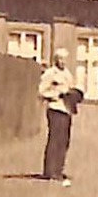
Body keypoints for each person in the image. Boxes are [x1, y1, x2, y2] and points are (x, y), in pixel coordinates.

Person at [37, 49, 80, 185]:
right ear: (56, 59)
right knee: (54, 139)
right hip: (55, 108)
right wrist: (56, 94)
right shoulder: (50, 73)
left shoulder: (68, 74)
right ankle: (49, 171)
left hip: (67, 109)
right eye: (60, 59)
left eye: (65, 59)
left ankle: (59, 169)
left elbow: (72, 89)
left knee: (64, 140)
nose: (63, 61)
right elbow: (42, 91)